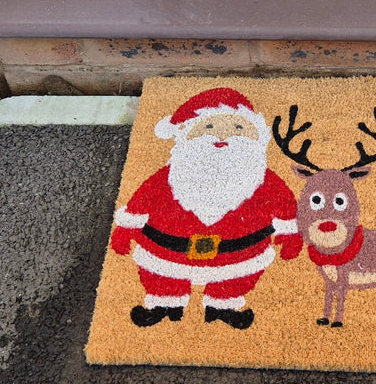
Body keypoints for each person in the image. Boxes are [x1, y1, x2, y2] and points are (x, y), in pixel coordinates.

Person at [110, 88, 301, 329]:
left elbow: (284, 205)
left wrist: (290, 232)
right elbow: (143, 199)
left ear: (257, 138)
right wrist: (125, 230)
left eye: (239, 129)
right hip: (167, 248)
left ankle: (224, 306)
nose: (223, 136)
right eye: (208, 128)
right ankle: (164, 303)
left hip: (238, 251)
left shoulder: (262, 178)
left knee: (234, 278)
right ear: (188, 136)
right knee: (162, 274)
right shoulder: (170, 176)